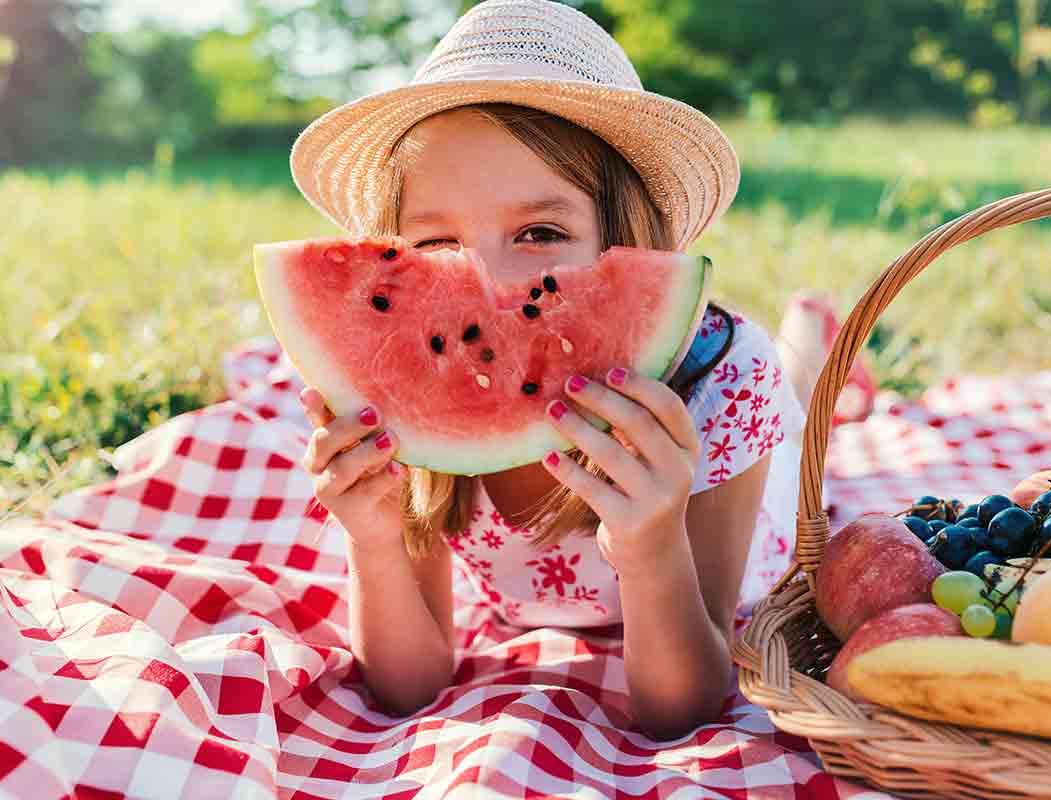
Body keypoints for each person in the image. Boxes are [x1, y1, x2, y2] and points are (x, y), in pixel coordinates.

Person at [289, 0, 806, 740]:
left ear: (624, 238)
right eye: (438, 246)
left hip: (747, 470)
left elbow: (684, 710)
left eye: (539, 233)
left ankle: (808, 350)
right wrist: (369, 539)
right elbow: (409, 685)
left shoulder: (727, 384)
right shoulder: (401, 399)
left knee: (798, 396)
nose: (493, 284)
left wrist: (653, 543)